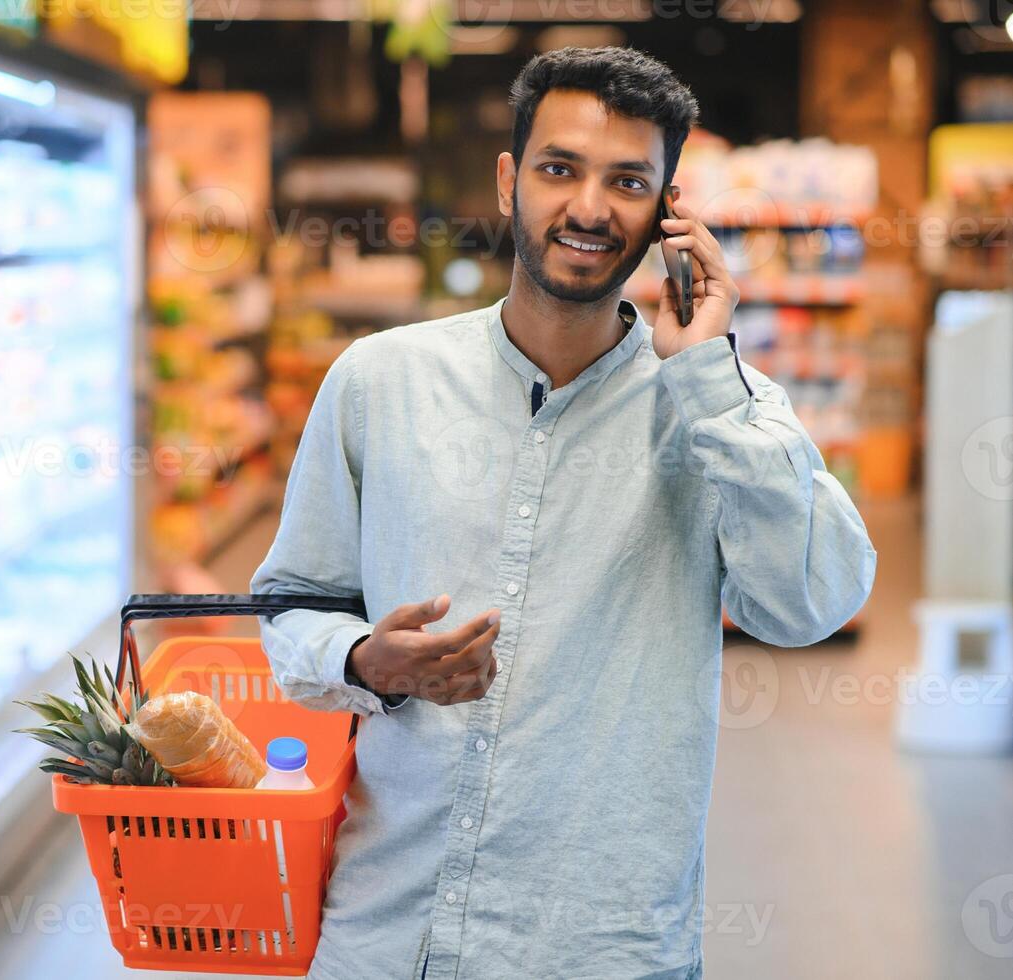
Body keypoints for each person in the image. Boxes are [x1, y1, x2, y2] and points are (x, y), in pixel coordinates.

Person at [250, 46, 876, 980]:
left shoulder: (722, 408)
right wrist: (361, 660)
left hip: (599, 948)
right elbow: (291, 601)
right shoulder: (379, 382)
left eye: (627, 181)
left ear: (669, 211)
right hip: (388, 932)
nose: (589, 208)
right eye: (558, 170)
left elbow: (811, 604)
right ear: (508, 182)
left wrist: (706, 373)